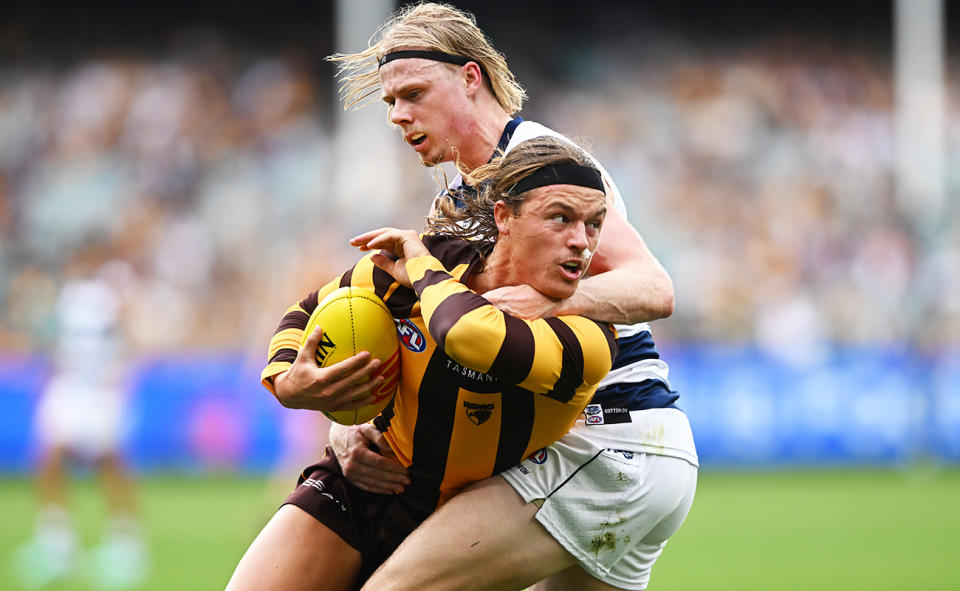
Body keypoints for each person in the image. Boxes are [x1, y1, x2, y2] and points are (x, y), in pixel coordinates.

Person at [320, 4, 699, 590]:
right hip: (622, 448)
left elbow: (654, 286)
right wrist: (353, 420)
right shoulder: (466, 190)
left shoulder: (544, 164)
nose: (398, 115)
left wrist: (554, 304)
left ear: (470, 78)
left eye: (414, 94)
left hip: (606, 439)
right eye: (391, 102)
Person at [226, 136, 619, 591]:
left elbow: (467, 333)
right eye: (561, 218)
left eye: (594, 224)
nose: (580, 242)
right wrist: (287, 377)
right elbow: (310, 307)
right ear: (504, 217)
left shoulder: (589, 336)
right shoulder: (439, 262)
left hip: (468, 523)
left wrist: (420, 264)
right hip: (362, 486)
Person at [11, 243, 148, 590]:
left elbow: (130, 339)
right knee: (48, 456)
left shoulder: (112, 293)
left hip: (101, 391)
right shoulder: (67, 296)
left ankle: (126, 545)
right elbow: (56, 342)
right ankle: (57, 544)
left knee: (110, 462)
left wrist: (121, 375)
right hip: (69, 387)